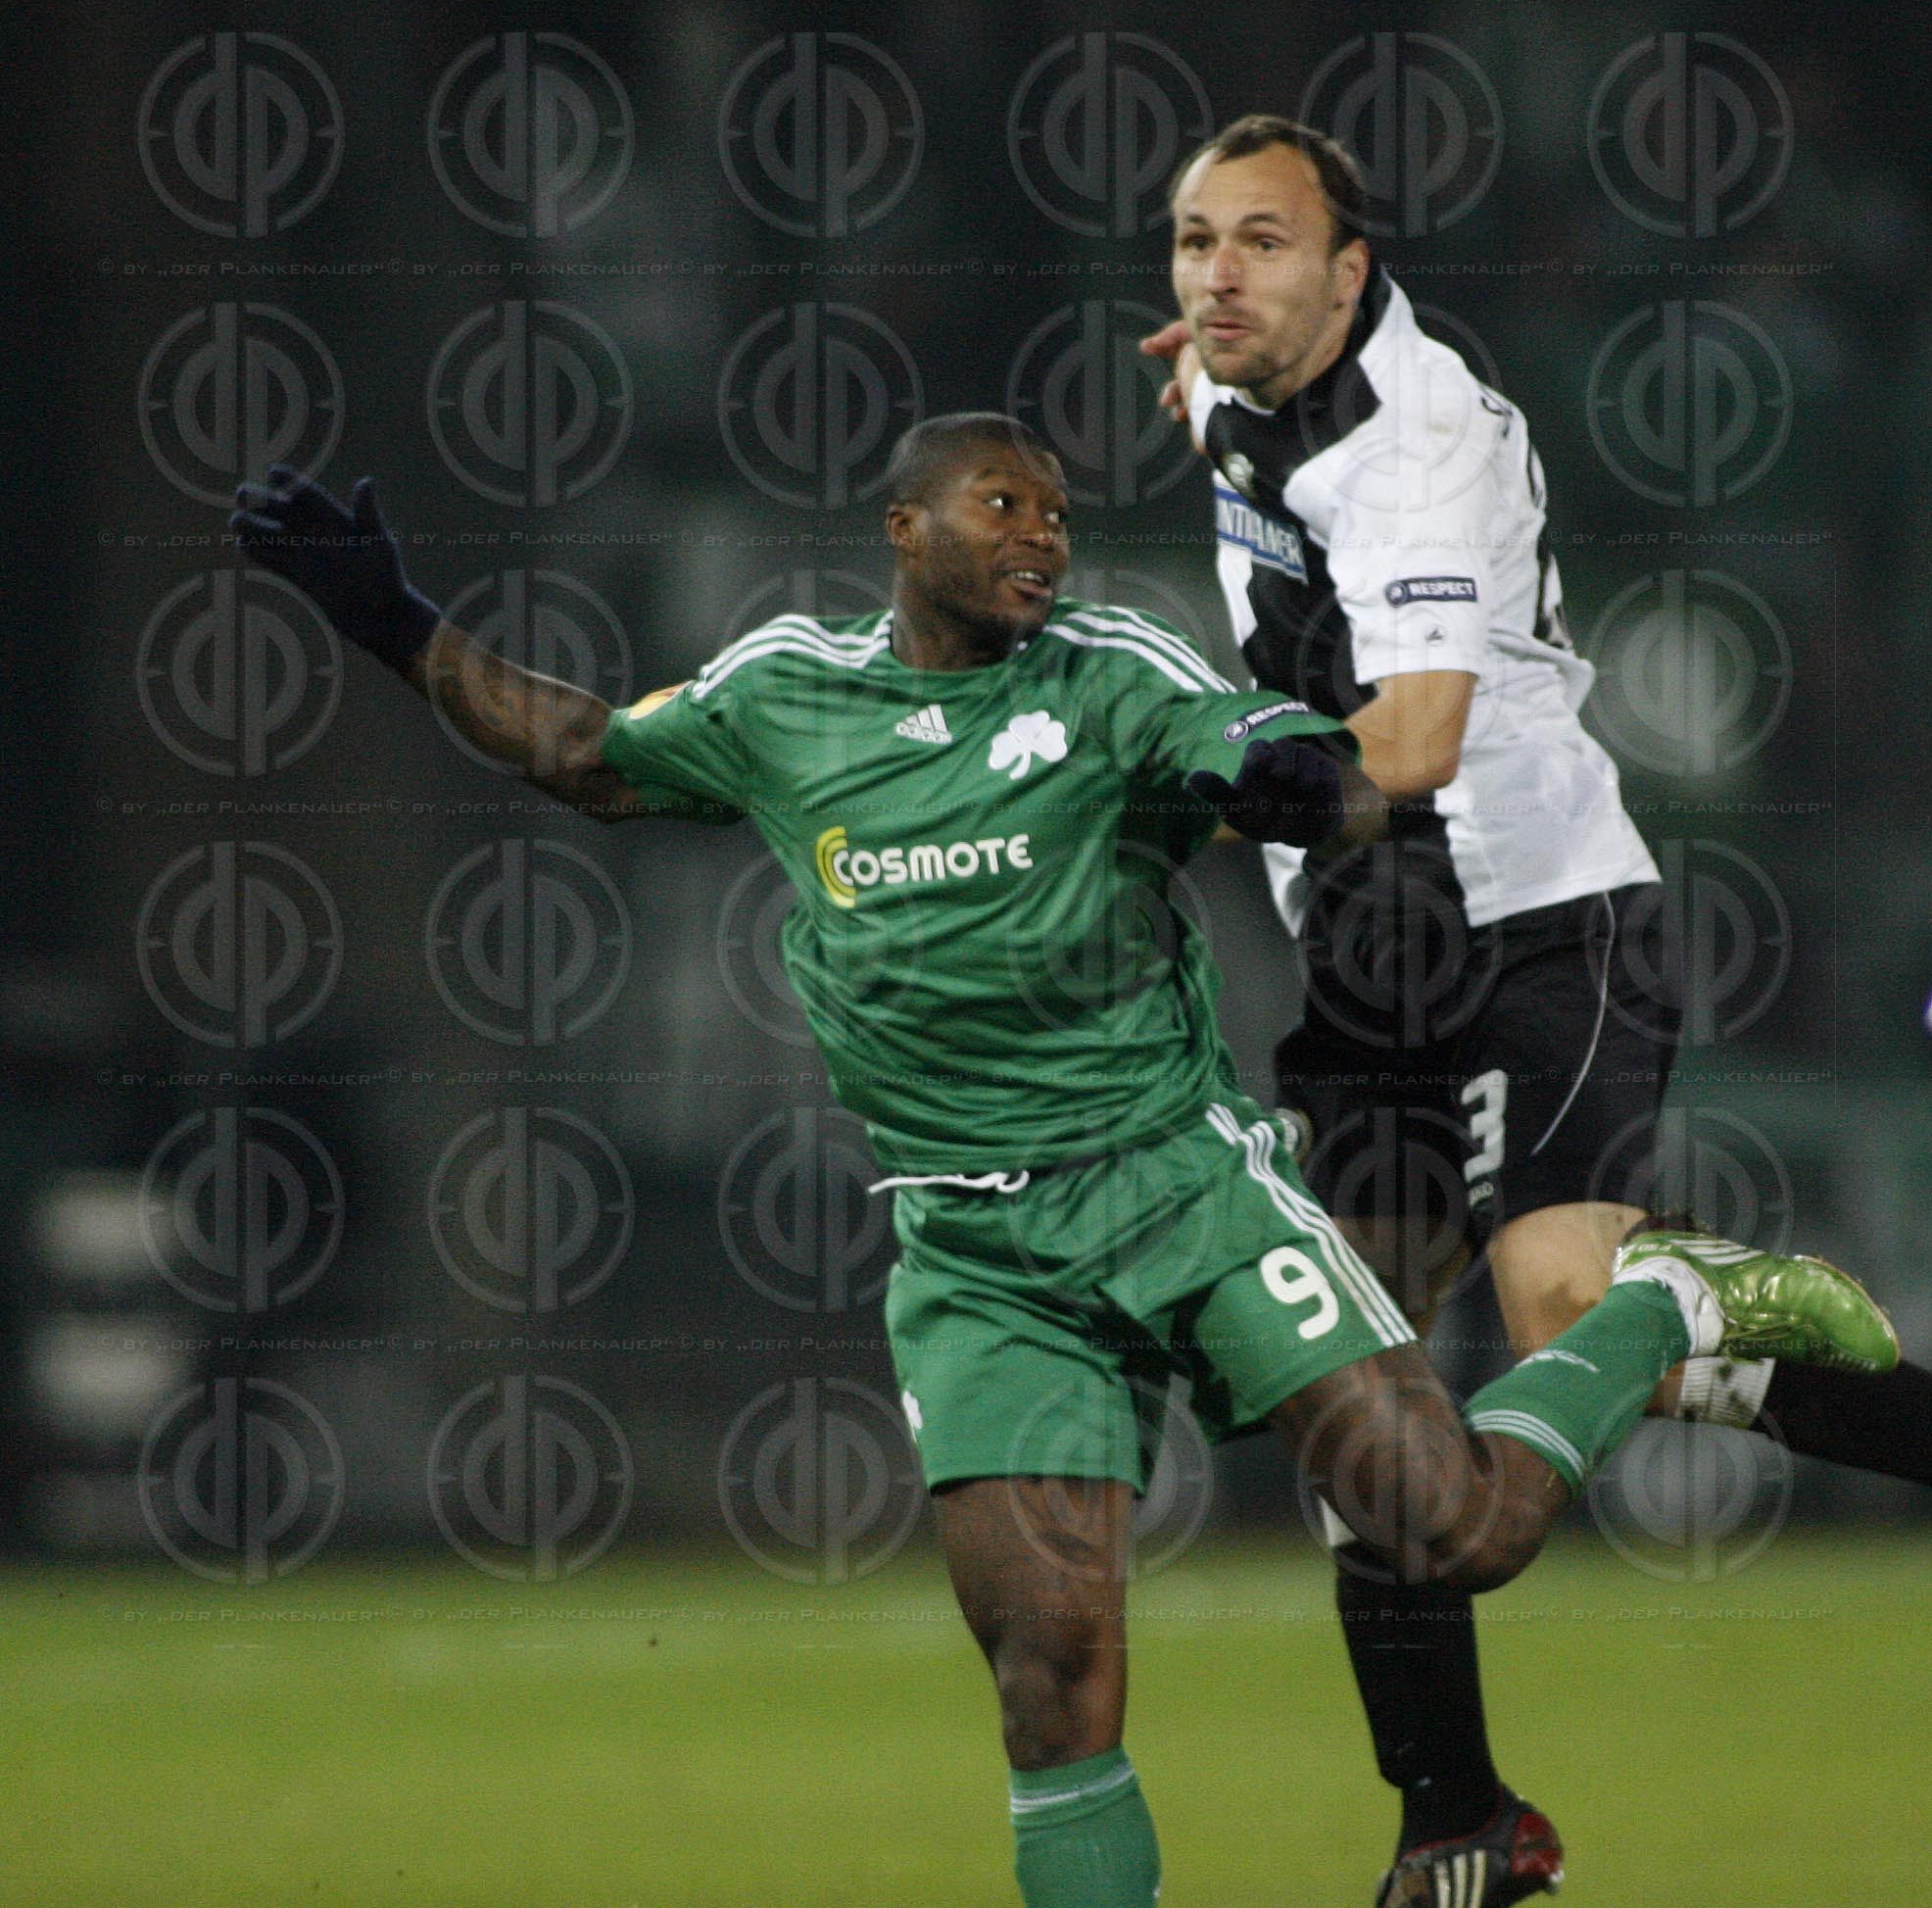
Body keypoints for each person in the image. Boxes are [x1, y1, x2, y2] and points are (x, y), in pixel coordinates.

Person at [231, 428, 1896, 1908]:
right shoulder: (783, 695)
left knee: (1453, 1529)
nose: (1042, 535)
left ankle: (1657, 1310)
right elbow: (585, 752)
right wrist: (388, 620)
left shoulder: (1108, 674)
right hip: (974, 1257)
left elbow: (1296, 762)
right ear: (904, 528)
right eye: (1004, 505)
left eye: (1059, 512)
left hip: (1179, 1184)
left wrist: (1304, 786)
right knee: (1053, 1678)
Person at [1141, 114, 1932, 1906]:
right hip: (1369, 959)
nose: (1217, 276)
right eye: (1195, 244)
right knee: (1354, 1395)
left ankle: (1678, 1291)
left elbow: (1412, 747)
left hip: (1531, 920)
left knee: (1563, 1302)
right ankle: (1460, 1826)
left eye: (1262, 243)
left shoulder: (1413, 451)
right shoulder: (1246, 371)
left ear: (1353, 271)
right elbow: (1228, 410)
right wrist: (1197, 375)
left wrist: (1170, 773)